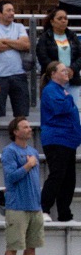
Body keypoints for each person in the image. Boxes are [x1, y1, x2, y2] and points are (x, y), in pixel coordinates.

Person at [2, 116, 44, 255]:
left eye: (29, 126)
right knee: (13, 246)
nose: (29, 129)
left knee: (31, 246)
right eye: (25, 127)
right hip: (17, 206)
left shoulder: (34, 152)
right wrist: (27, 166)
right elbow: (10, 177)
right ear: (15, 132)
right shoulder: (9, 152)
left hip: (35, 206)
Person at [0, 1, 33, 129]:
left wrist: (4, 40)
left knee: (21, 112)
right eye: (8, 10)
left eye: (13, 10)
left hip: (18, 74)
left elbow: (26, 45)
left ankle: (20, 139)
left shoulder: (19, 27)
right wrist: (15, 44)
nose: (12, 13)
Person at [40, 61, 78, 223]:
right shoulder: (50, 90)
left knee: (69, 179)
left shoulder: (63, 90)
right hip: (57, 139)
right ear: (53, 74)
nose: (66, 73)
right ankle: (43, 209)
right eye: (63, 71)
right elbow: (60, 108)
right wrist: (69, 100)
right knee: (57, 175)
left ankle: (65, 213)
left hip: (68, 140)